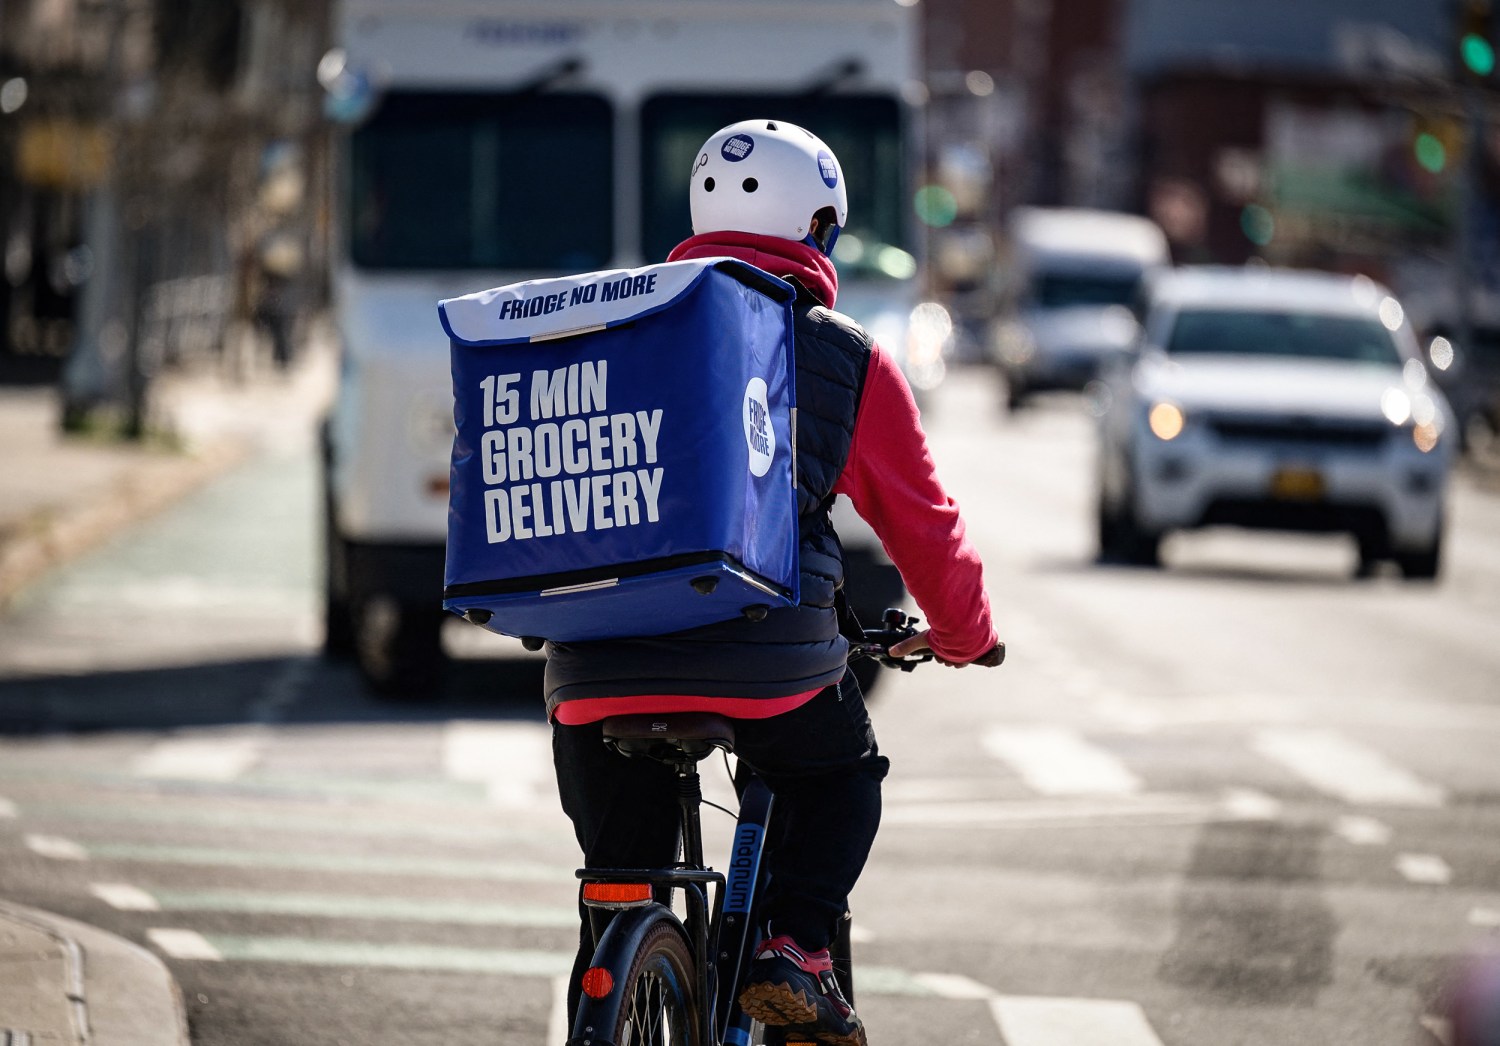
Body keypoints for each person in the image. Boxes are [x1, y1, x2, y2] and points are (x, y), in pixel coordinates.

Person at [547, 119, 1002, 1046]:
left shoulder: (616, 325)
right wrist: (962, 635)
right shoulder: (846, 357)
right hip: (770, 670)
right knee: (841, 777)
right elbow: (926, 531)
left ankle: (619, 970)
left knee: (615, 887)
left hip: (591, 671)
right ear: (821, 232)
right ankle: (794, 948)